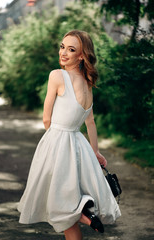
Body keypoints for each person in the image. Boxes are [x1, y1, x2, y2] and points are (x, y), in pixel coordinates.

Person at [17, 30, 121, 240]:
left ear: (81, 56)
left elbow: (46, 119)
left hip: (58, 141)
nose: (63, 53)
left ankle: (82, 214)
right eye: (62, 46)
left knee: (56, 200)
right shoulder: (88, 84)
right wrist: (96, 152)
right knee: (66, 205)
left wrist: (52, 143)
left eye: (71, 49)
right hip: (78, 144)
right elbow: (90, 122)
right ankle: (81, 212)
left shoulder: (57, 75)